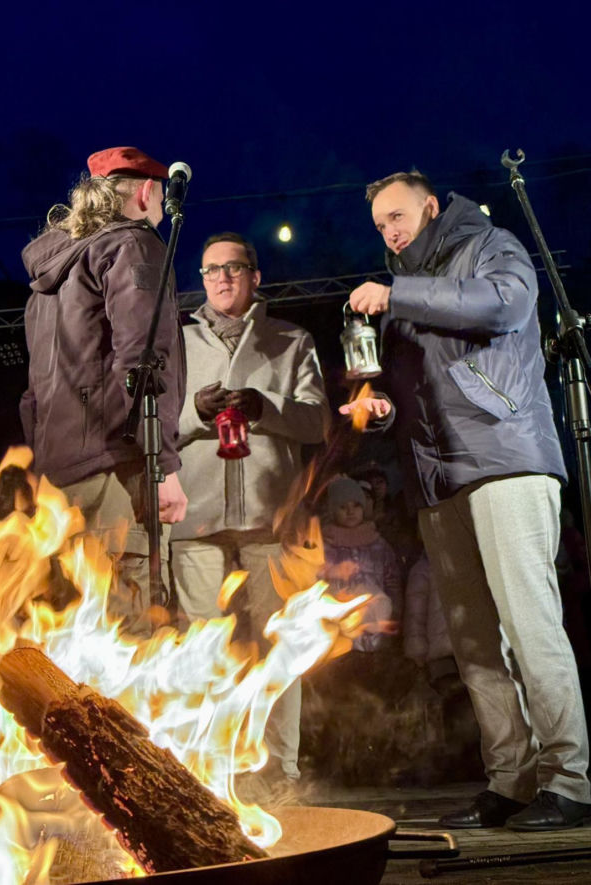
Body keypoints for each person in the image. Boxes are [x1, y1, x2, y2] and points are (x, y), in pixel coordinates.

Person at [340, 170, 591, 830]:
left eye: (397, 217)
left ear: (429, 206)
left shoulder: (487, 245)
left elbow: (506, 304)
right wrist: (382, 409)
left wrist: (401, 292)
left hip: (504, 460)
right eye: (379, 225)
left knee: (530, 625)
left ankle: (571, 780)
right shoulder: (400, 295)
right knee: (474, 643)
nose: (389, 232)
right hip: (438, 480)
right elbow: (410, 390)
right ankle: (511, 779)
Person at [169, 232, 330, 789]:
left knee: (277, 644)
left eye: (234, 267)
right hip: (195, 518)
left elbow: (318, 423)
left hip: (271, 518)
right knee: (201, 647)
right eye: (212, 269)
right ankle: (207, 771)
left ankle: (281, 770)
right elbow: (153, 424)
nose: (222, 278)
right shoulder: (176, 342)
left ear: (255, 276)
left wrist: (265, 407)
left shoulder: (290, 339)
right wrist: (194, 412)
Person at [20, 146, 187, 634]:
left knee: (80, 624)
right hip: (116, 463)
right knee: (126, 625)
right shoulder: (133, 244)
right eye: (156, 201)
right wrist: (166, 467)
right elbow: (143, 357)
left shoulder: (50, 279)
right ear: (146, 191)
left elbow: (33, 393)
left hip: (60, 472)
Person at [321, 476, 398, 650]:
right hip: (342, 627)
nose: (350, 512)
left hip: (379, 623)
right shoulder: (326, 546)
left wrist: (395, 611)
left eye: (356, 505)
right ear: (333, 511)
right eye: (343, 507)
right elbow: (317, 579)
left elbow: (392, 579)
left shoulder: (378, 544)